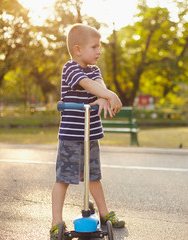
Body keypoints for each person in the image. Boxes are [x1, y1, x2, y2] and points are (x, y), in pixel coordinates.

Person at [50, 23, 125, 240]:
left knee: (94, 176)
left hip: (91, 134)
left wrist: (105, 95)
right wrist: (110, 95)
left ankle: (104, 214)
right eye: (94, 47)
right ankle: (56, 222)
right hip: (71, 137)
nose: (99, 51)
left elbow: (98, 85)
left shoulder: (95, 70)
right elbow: (88, 85)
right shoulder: (70, 68)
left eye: (99, 47)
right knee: (63, 178)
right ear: (78, 50)